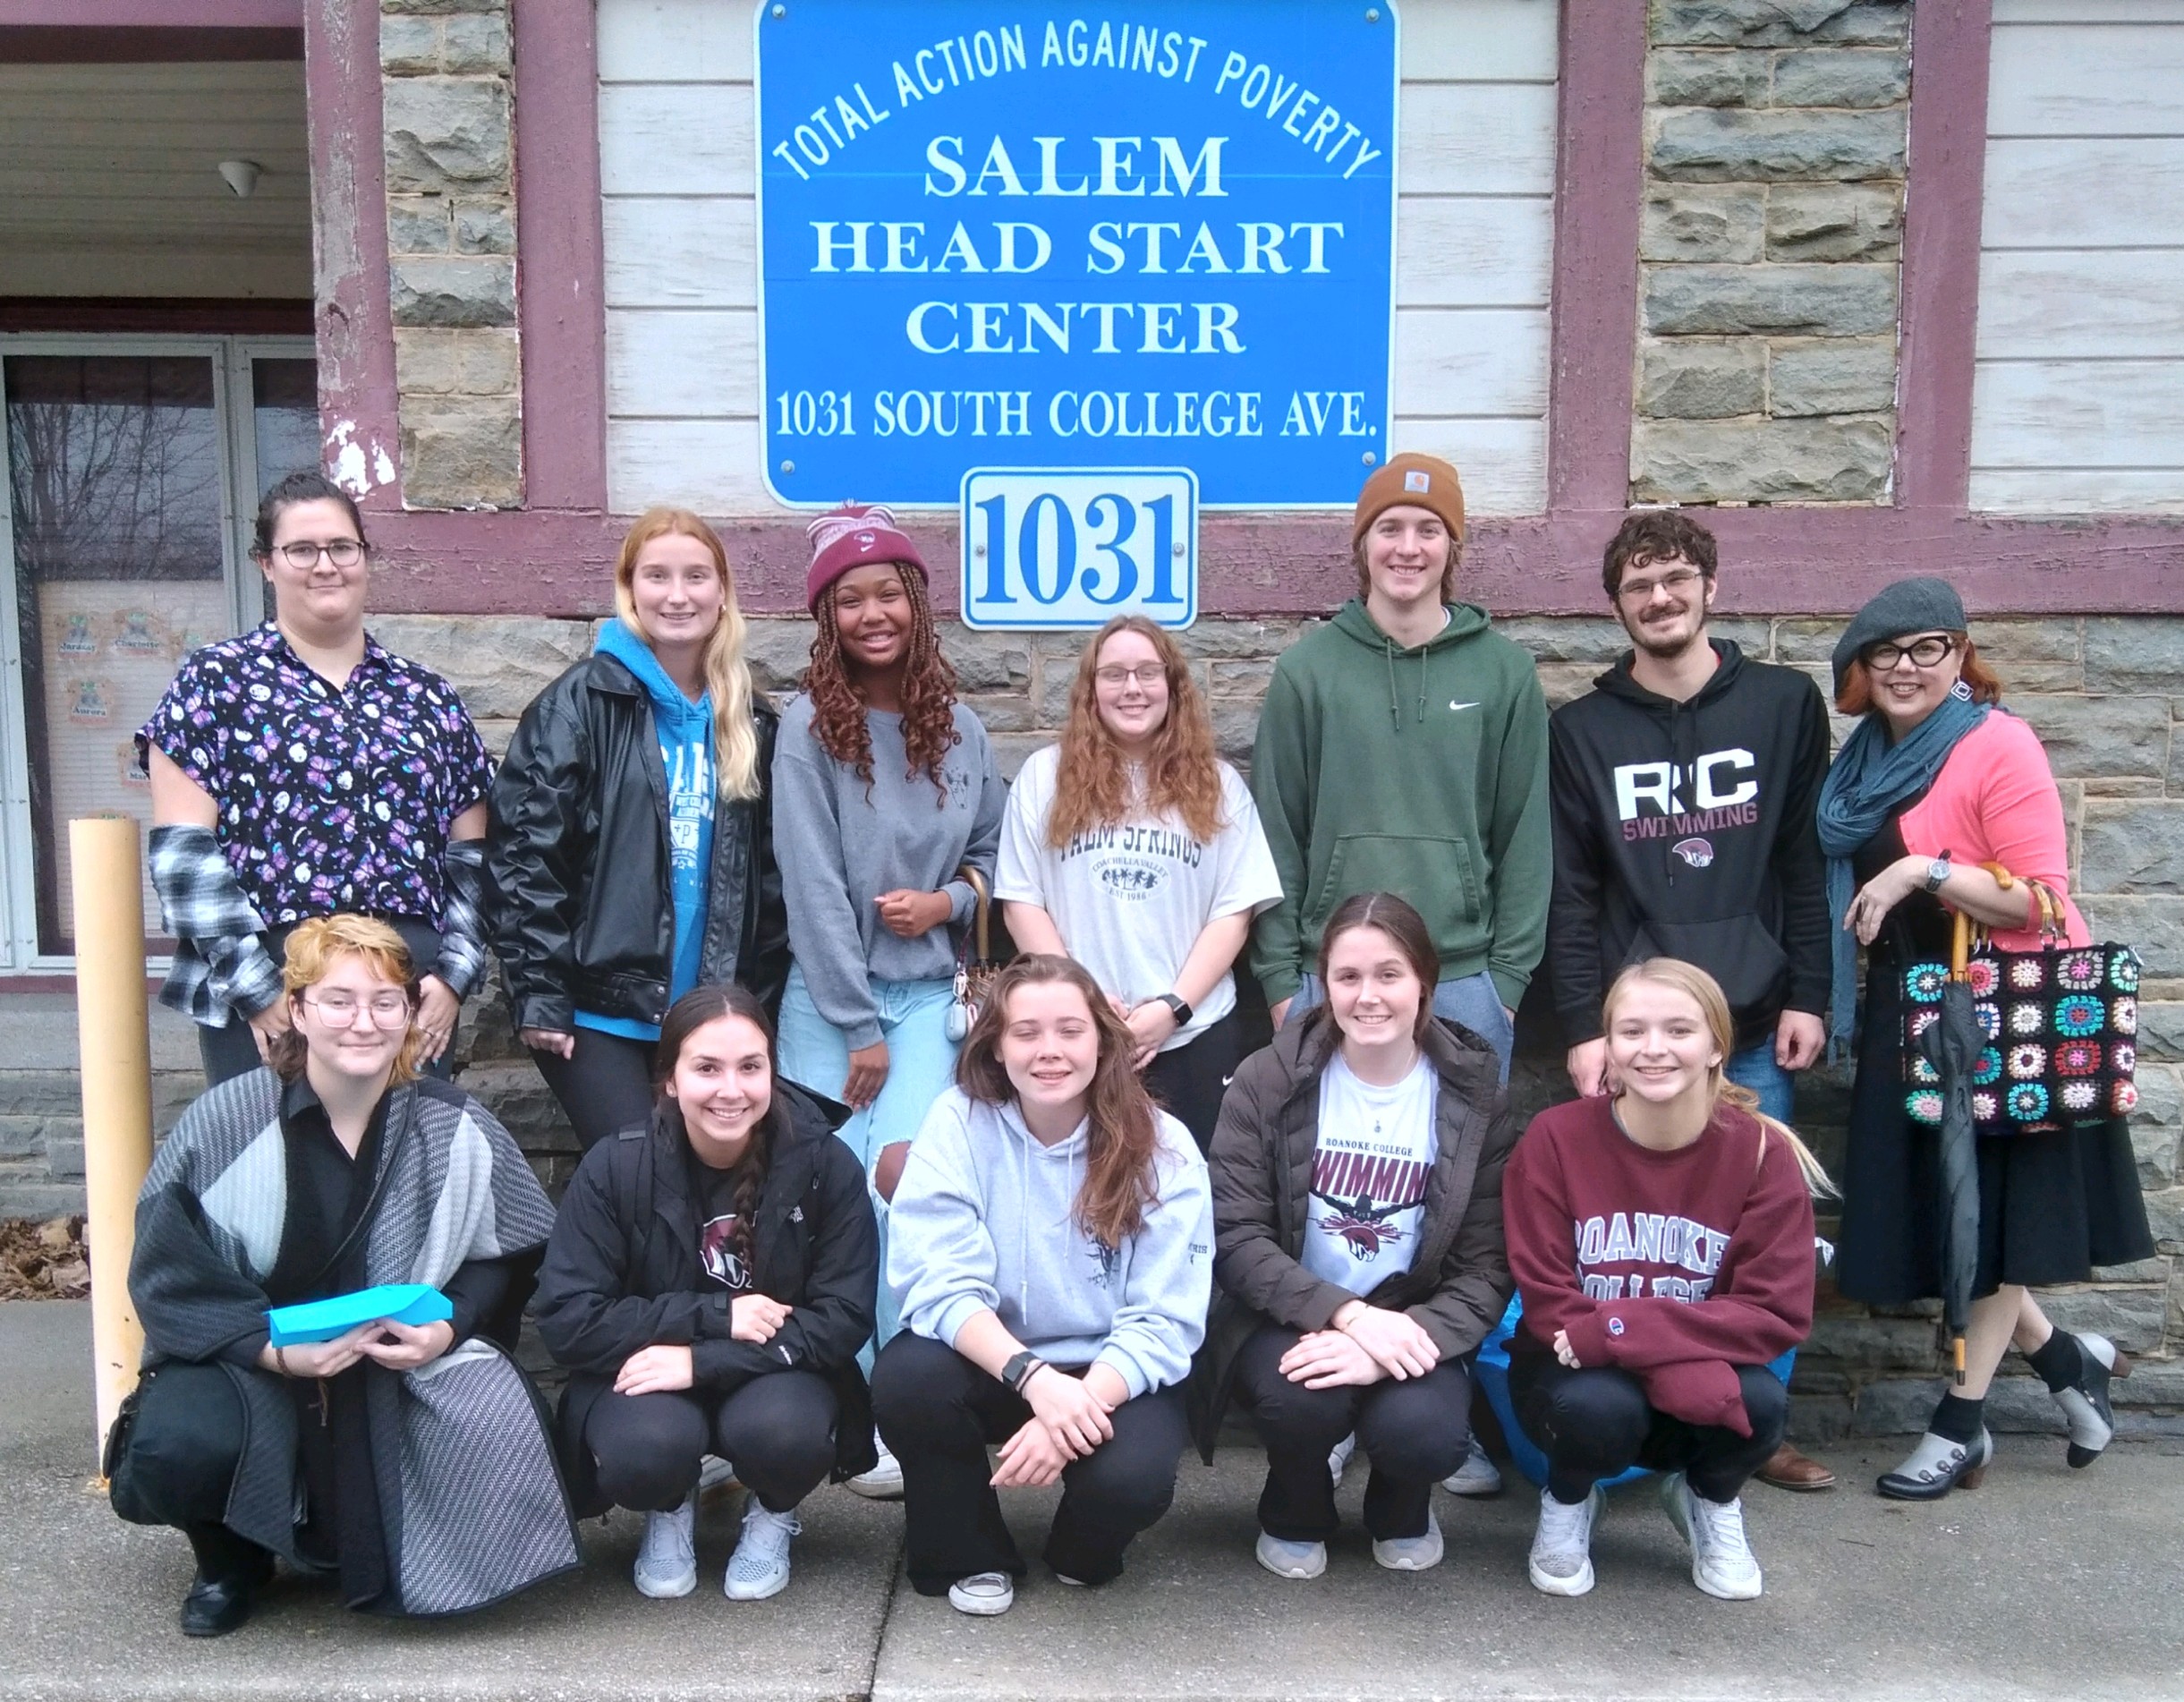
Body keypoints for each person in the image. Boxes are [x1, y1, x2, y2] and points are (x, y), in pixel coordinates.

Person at [108, 915, 574, 1635]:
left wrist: (448, 1328)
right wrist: (272, 1352)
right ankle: (230, 1560)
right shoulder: (225, 1120)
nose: (364, 1022)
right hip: (254, 1359)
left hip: (392, 1363)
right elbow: (168, 1269)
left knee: (517, 1426)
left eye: (386, 1002)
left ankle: (367, 1541)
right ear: (297, 1009)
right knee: (177, 1445)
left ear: (411, 1012)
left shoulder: (456, 1125)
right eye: (338, 1000)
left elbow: (510, 1254)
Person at [1818, 579, 2153, 1500]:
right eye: (1882, 652)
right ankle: (2066, 1367)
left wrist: (1926, 871)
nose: (1903, 667)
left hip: (1996, 1019)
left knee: (1991, 1223)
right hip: (1905, 1010)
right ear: (1856, 669)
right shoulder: (1857, 765)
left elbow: (2039, 897)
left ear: (1959, 654)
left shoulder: (1993, 743)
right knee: (1948, 1219)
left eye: (1926, 647)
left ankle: (1957, 1426)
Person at [1544, 508, 1836, 1495]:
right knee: (1636, 1234)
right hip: (1634, 1034)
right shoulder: (1580, 731)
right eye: (1637, 585)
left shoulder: (1784, 706)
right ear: (1615, 606)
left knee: (1760, 1232)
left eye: (1674, 578)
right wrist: (1585, 1027)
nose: (1658, 598)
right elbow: (1572, 895)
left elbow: (1803, 863)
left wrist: (1811, 990)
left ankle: (1752, 1431)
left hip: (1750, 1025)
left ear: (1709, 586)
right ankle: (1635, 1421)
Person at [770, 502, 1005, 1496]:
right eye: (849, 599)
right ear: (826, 619)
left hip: (928, 1003)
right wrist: (854, 1027)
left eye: (888, 593)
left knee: (903, 1199)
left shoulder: (964, 730)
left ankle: (895, 1415)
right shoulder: (804, 731)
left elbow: (995, 859)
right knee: (813, 1214)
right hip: (830, 1009)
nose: (873, 613)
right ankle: (833, 1414)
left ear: (916, 603)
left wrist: (948, 901)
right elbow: (812, 885)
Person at [871, 955, 1211, 1616]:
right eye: (1026, 1032)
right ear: (995, 1045)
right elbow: (937, 1281)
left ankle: (1081, 1548)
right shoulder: (958, 1122)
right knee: (907, 1376)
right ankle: (967, 1552)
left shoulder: (1162, 1145)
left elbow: (1165, 1317)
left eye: (1069, 1030)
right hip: (998, 1359)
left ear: (1102, 1041)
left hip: (1110, 1372)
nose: (1048, 1051)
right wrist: (1035, 1380)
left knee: (1132, 1485)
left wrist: (1071, 1411)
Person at [1196, 892, 1517, 1580]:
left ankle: (1401, 1508)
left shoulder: (1476, 1094)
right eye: (1347, 977)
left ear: (1424, 983)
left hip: (1414, 1320)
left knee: (1424, 1435)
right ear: (1323, 984)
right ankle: (1293, 1507)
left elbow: (1487, 1266)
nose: (1367, 996)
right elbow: (1236, 1234)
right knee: (1297, 1400)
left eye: (1388, 975)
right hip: (1293, 1311)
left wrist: (1388, 1346)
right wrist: (1346, 1316)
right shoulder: (1267, 1079)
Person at [141, 472, 494, 1087]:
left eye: (341, 547)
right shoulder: (214, 683)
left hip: (407, 991)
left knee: (408, 1172)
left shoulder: (427, 697)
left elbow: (472, 856)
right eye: (301, 550)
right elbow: (184, 857)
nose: (324, 565)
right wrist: (255, 990)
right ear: (266, 565)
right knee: (270, 1173)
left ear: (364, 557)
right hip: (269, 981)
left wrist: (456, 973)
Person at [531, 984, 878, 1603]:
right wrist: (715, 1315)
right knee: (644, 1451)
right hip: (647, 1367)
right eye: (707, 1068)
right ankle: (668, 1508)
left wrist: (702, 1358)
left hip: (775, 1372)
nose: (731, 1089)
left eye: (750, 1067)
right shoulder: (617, 1167)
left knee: (785, 1434)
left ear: (773, 1070)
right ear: (668, 1079)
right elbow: (567, 1318)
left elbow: (843, 1318)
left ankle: (772, 1513)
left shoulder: (824, 1163)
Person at [1503, 958, 1824, 1601]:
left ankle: (1710, 1498)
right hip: (1573, 1374)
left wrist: (1626, 1329)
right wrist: (1668, 1364)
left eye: (1678, 1030)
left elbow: (1774, 1313)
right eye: (1631, 1031)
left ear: (1714, 1047)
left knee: (1759, 1404)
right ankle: (1569, 1498)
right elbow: (1547, 1297)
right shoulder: (1555, 1138)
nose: (1653, 1049)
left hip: (1643, 1353)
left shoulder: (1762, 1151)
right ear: (1609, 1047)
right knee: (1599, 1406)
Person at [488, 507, 788, 1150]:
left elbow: (769, 890)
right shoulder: (580, 703)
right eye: (657, 576)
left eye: (696, 576)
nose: (677, 595)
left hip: (707, 1016)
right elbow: (525, 857)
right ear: (630, 590)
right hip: (603, 1010)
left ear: (722, 592)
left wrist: (756, 1011)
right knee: (637, 1177)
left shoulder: (751, 722)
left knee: (705, 1185)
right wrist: (540, 992)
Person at [1251, 451, 1550, 1086]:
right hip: (1329, 978)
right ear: (1362, 547)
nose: (1407, 548)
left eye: (1427, 529)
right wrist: (1282, 981)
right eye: (1389, 529)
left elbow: (1525, 835)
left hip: (1464, 980)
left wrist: (1507, 982)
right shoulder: (1307, 672)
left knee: (1462, 1182)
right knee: (1325, 1176)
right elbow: (1276, 833)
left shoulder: (1504, 673)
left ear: (1452, 545)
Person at [998, 614, 1284, 1153]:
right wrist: (1082, 1001)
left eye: (1148, 673)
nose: (1133, 688)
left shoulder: (1219, 787)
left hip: (1194, 1036)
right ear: (1090, 691)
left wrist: (1172, 1009)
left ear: (1173, 687)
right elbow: (1020, 901)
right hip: (1078, 1037)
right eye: (1115, 674)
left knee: (1193, 1199)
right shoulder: (1043, 777)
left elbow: (1234, 913)